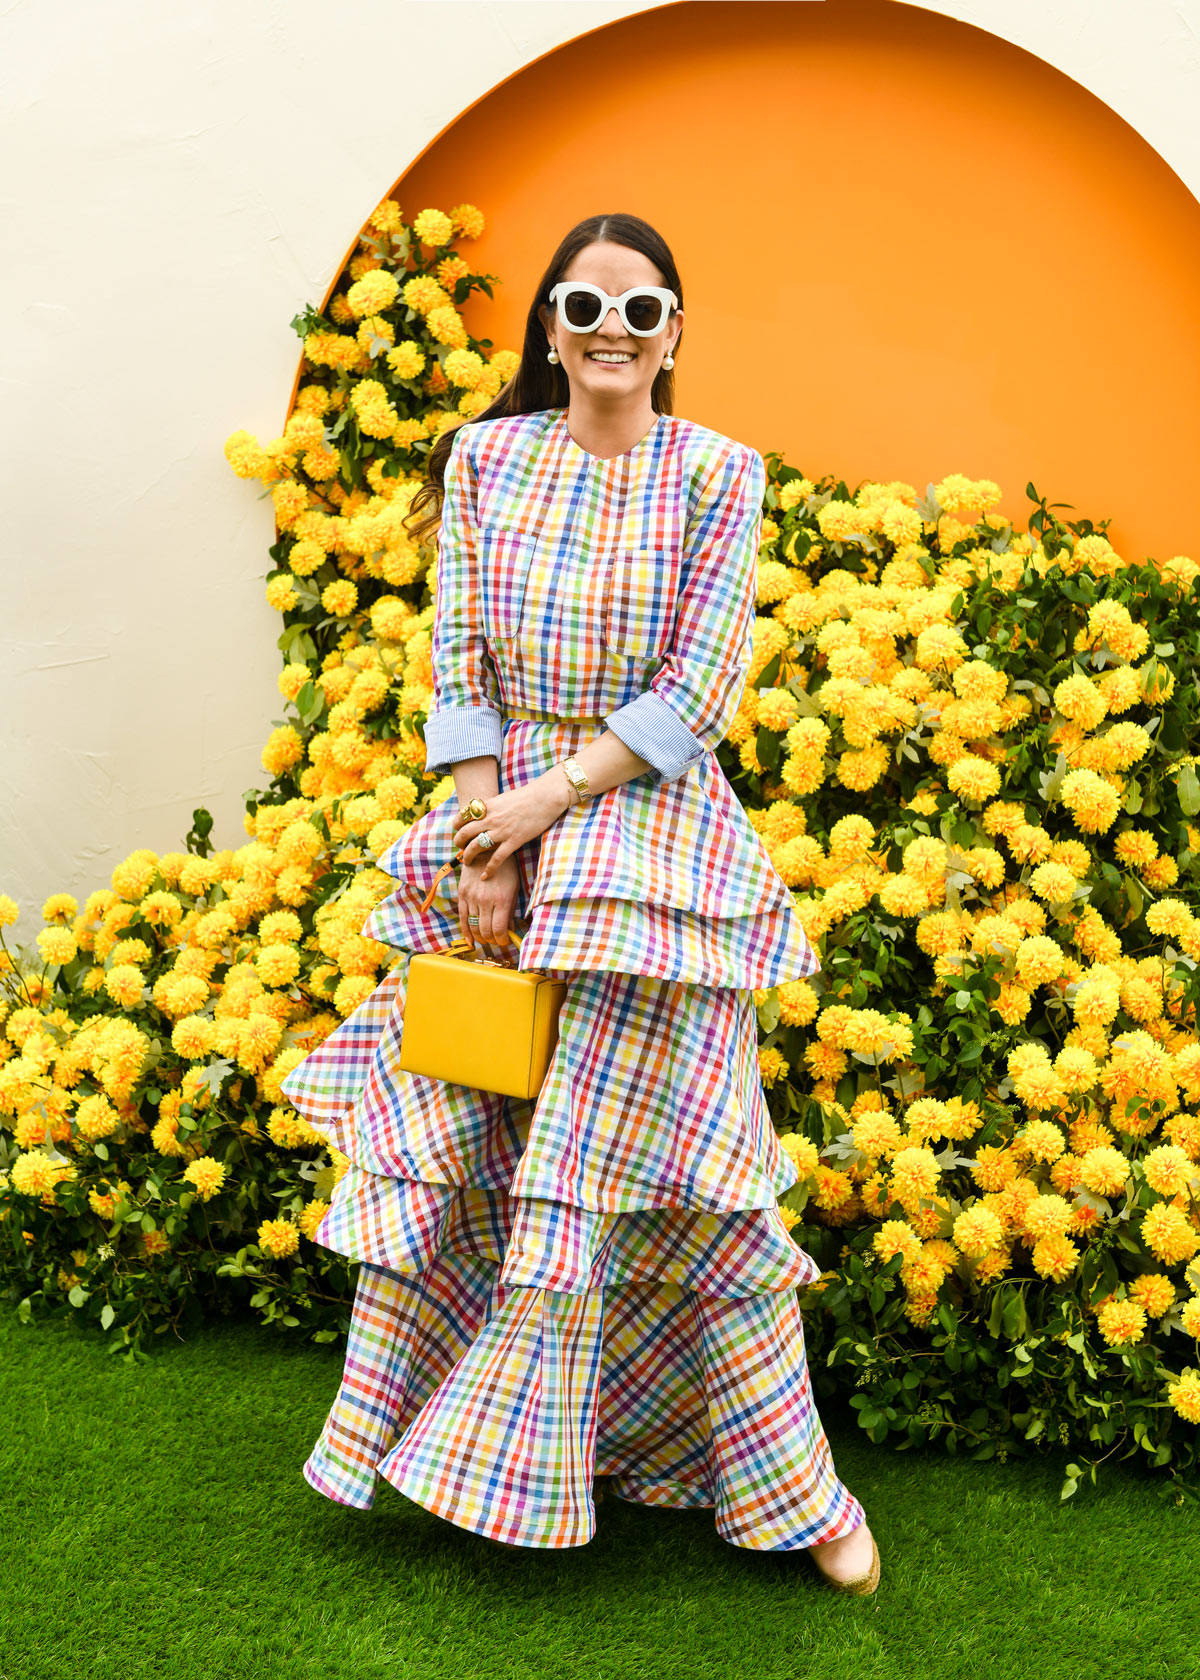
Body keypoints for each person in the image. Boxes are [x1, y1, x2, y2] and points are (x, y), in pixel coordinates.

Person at [280, 211, 878, 1593]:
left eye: (642, 310)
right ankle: (498, 1446)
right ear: (549, 328)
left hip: (649, 843)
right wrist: (483, 840)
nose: (614, 335)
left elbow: (700, 689)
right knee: (485, 1146)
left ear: (679, 333)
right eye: (587, 310)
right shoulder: (486, 458)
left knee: (698, 1165)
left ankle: (795, 1492)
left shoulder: (721, 474)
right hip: (499, 833)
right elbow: (457, 665)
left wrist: (546, 805)